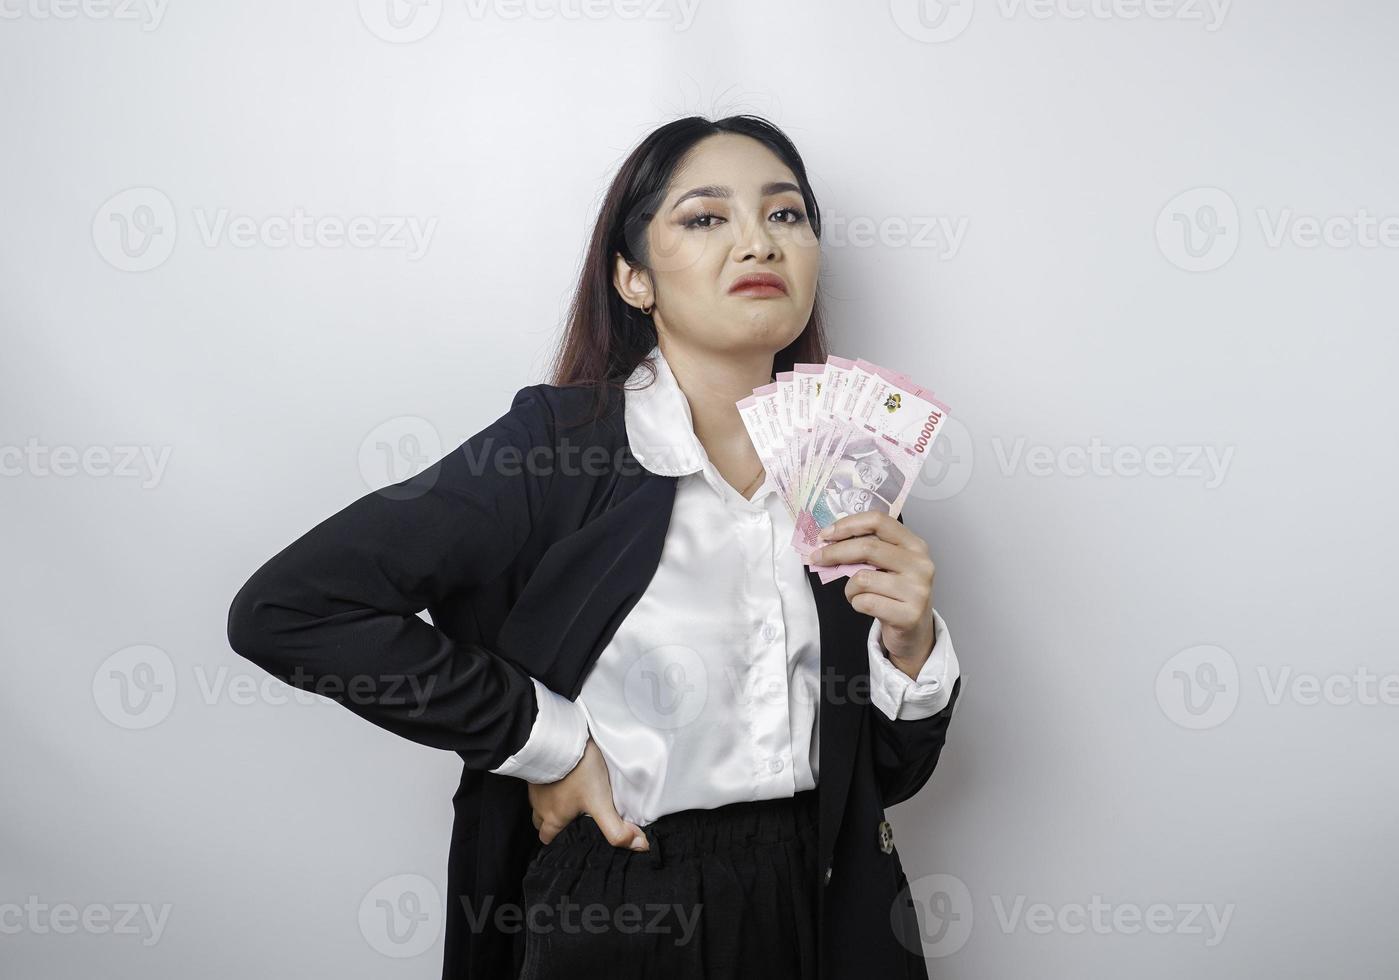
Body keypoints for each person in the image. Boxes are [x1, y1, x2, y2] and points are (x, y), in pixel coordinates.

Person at [227, 114, 962, 980]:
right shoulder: (558, 446)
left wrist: (910, 652)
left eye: (786, 215)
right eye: (704, 217)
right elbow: (289, 609)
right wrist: (549, 741)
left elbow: (882, 781)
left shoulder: (843, 466)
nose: (757, 243)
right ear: (633, 278)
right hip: (627, 901)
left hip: (827, 906)